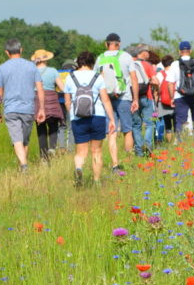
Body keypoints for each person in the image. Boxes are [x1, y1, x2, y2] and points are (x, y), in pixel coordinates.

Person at [63, 51, 115, 186]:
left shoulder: (70, 77)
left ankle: (79, 168)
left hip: (78, 117)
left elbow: (67, 102)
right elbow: (106, 100)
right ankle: (97, 181)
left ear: (78, 63)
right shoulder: (97, 77)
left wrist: (72, 115)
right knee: (96, 151)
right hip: (97, 116)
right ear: (92, 63)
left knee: (81, 151)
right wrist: (112, 119)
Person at [0, 39, 45, 171]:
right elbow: (40, 88)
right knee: (24, 140)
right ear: (21, 50)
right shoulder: (32, 66)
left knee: (18, 140)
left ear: (6, 52)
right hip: (28, 108)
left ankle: (23, 166)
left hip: (10, 109)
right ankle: (23, 166)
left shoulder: (2, 68)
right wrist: (42, 109)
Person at [94, 33, 138, 173]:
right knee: (127, 130)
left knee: (111, 131)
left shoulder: (100, 58)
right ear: (119, 43)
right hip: (124, 96)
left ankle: (114, 164)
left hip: (106, 98)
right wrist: (135, 99)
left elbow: (96, 79)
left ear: (106, 44)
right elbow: (134, 79)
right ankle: (129, 160)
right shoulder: (126, 57)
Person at [165, 41, 194, 138]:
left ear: (179, 51)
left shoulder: (175, 64)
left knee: (180, 120)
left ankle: (180, 141)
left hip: (180, 96)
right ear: (190, 51)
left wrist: (172, 97)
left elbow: (170, 83)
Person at [31, 49, 64, 160]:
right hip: (52, 100)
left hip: (37, 100)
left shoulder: (32, 71)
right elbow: (61, 87)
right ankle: (52, 148)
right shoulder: (53, 71)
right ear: (46, 59)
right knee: (53, 125)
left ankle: (43, 157)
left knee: (41, 130)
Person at [130, 44, 158, 158]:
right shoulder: (147, 65)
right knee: (150, 123)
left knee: (136, 125)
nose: (149, 54)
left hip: (132, 99)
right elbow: (155, 81)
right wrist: (157, 91)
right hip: (146, 97)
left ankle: (139, 151)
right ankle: (148, 145)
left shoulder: (130, 65)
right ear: (143, 52)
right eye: (148, 52)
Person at [55, 60, 76, 150]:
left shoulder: (58, 73)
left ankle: (61, 147)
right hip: (70, 101)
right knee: (72, 125)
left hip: (59, 101)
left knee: (61, 125)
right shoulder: (74, 73)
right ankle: (71, 148)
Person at [154, 55, 175, 142]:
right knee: (177, 123)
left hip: (163, 101)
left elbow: (156, 90)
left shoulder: (160, 74)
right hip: (175, 101)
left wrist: (155, 103)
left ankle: (163, 140)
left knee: (167, 124)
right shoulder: (175, 72)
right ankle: (176, 142)